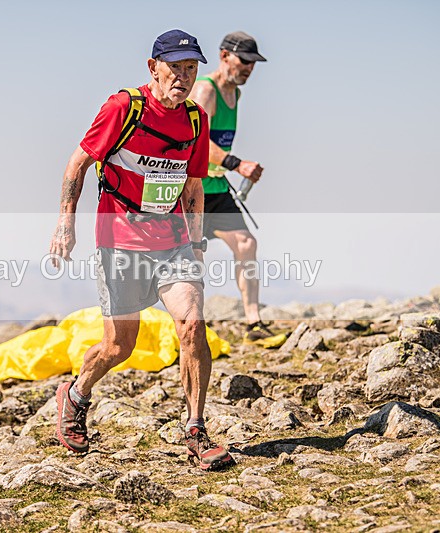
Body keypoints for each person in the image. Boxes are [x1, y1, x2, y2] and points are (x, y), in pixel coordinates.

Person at [48, 29, 234, 471]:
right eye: (175, 68)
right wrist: (65, 221)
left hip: (172, 243)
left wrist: (196, 240)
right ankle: (74, 396)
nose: (184, 77)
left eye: (191, 69)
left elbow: (192, 185)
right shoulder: (123, 108)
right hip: (120, 242)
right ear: (153, 67)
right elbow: (78, 162)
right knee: (120, 346)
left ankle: (195, 428)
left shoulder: (194, 120)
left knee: (192, 326)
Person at [188, 31, 285, 348]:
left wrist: (232, 167)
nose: (248, 69)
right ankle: (193, 328)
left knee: (246, 244)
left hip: (216, 186)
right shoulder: (205, 90)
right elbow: (196, 141)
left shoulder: (235, 96)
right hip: (191, 190)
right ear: (223, 55)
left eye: (253, 64)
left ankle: (253, 322)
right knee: (194, 258)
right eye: (244, 61)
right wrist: (236, 163)